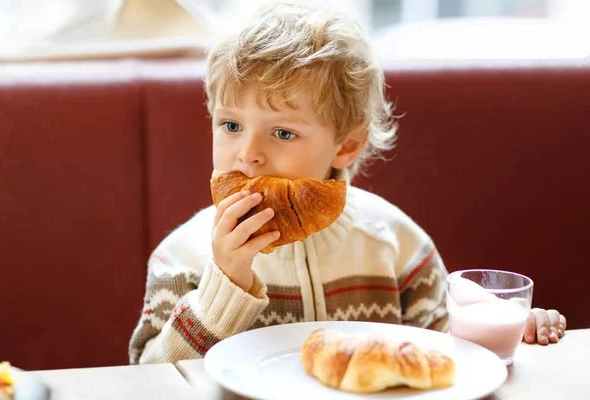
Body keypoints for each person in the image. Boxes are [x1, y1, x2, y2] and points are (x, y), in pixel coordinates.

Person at [129, 1, 565, 364]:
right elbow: (147, 379)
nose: (248, 153)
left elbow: (448, 355)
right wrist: (223, 287)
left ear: (347, 145)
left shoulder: (394, 244)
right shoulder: (182, 257)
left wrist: (502, 329)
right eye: (230, 125)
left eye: (283, 132)